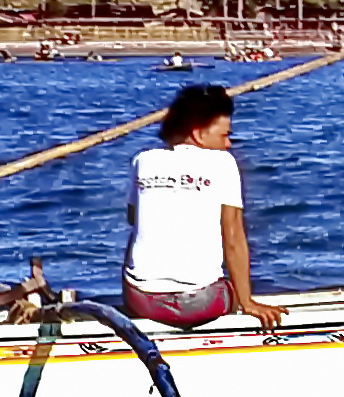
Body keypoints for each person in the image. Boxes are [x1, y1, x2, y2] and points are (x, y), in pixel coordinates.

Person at [122, 85, 285, 330]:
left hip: (140, 300)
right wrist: (247, 301)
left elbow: (134, 220)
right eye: (224, 135)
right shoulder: (222, 163)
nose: (229, 144)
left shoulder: (143, 160)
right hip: (200, 303)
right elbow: (233, 238)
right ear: (198, 134)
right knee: (227, 287)